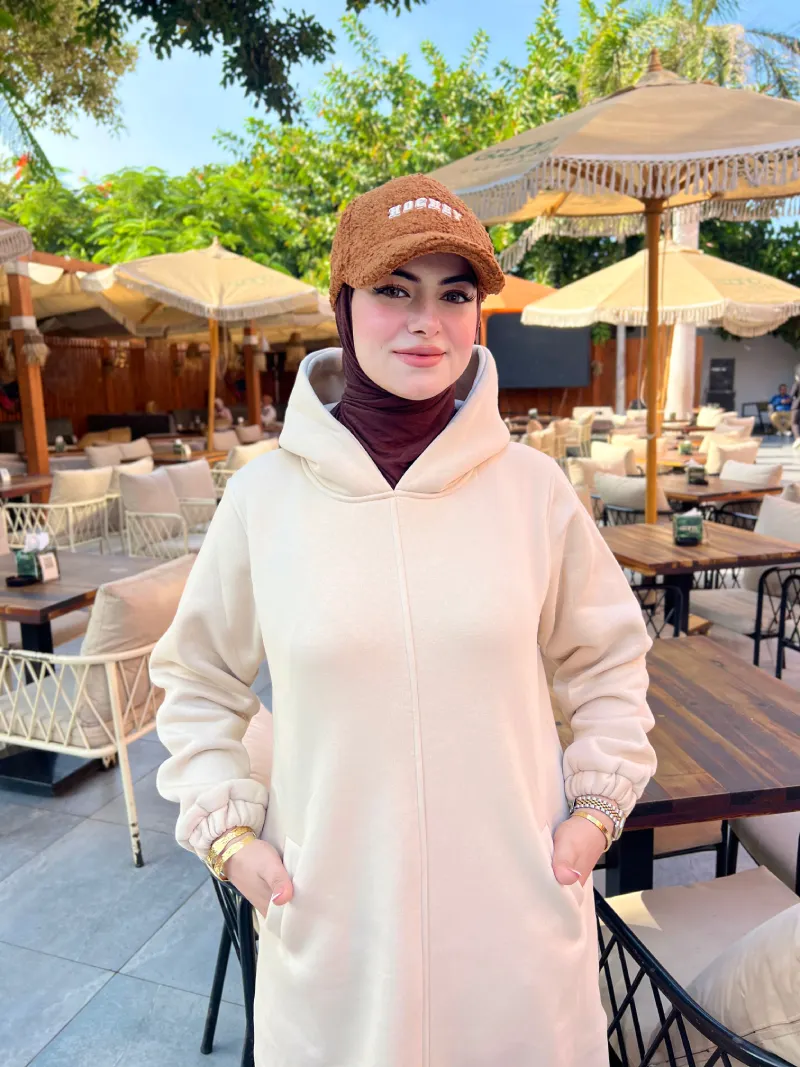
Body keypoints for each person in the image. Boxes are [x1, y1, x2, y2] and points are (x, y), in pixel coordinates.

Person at [151, 174, 657, 1067]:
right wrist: (228, 834)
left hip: (515, 931)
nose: (428, 322)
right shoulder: (265, 500)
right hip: (337, 930)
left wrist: (594, 810)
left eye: (454, 295)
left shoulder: (533, 491)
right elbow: (195, 679)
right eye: (395, 289)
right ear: (343, 306)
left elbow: (607, 660)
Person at [792, 366, 800, 449]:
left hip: (797, 405)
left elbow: (792, 395)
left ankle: (798, 439)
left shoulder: (797, 383)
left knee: (794, 423)